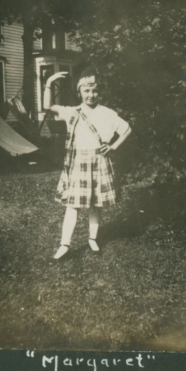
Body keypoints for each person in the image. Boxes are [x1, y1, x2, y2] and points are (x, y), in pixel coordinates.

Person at [45, 71, 131, 259]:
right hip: (79, 163)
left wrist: (113, 146)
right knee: (72, 205)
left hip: (99, 161)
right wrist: (50, 81)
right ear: (80, 92)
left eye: (95, 91)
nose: (91, 94)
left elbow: (126, 129)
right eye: (87, 90)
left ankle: (93, 239)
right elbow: (48, 106)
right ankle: (65, 244)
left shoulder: (108, 113)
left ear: (99, 93)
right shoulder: (72, 111)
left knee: (96, 204)